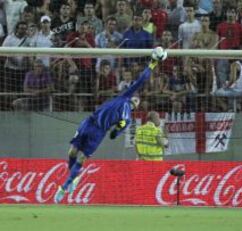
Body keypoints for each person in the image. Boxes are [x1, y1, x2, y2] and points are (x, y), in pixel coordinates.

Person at [54, 55, 163, 203]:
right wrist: (152, 64)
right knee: (72, 152)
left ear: (137, 105)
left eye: (138, 100)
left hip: (99, 132)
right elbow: (141, 80)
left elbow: (114, 134)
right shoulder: (124, 97)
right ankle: (74, 177)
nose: (136, 100)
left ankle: (64, 186)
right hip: (89, 122)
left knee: (81, 158)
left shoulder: (127, 119)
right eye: (136, 98)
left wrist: (117, 130)